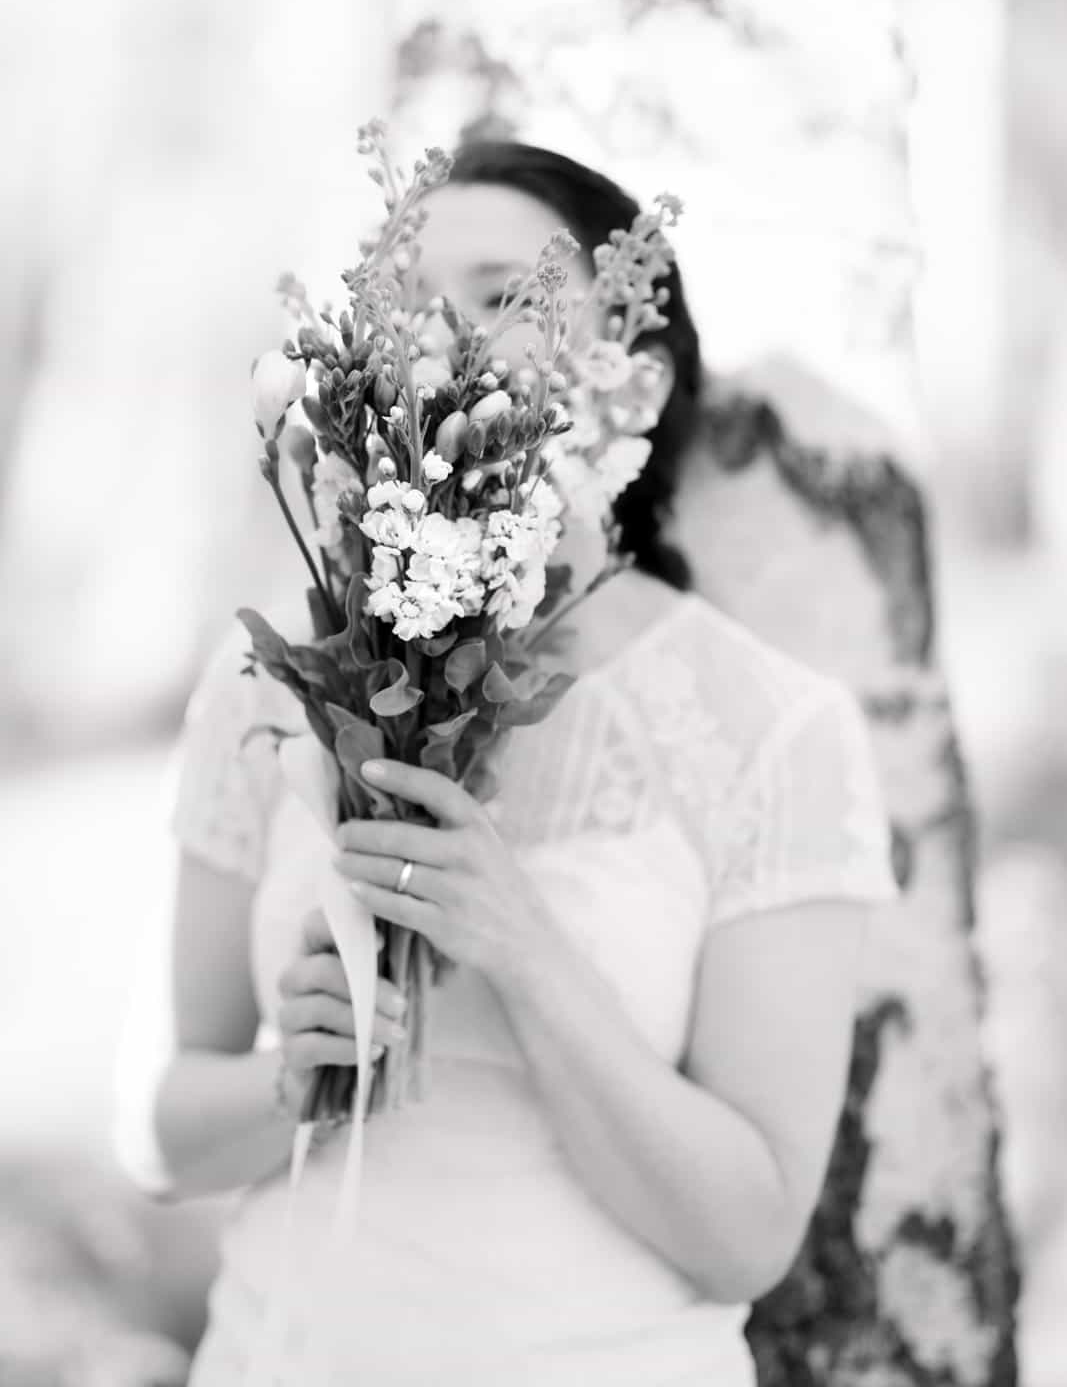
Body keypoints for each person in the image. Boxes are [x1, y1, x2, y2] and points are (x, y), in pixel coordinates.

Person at [125, 142, 898, 1385]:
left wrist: (524, 951)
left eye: (499, 296)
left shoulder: (776, 731)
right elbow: (153, 1134)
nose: (440, 342)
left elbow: (748, 1235)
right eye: (404, 308)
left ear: (629, 383)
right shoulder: (268, 682)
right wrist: (290, 1080)